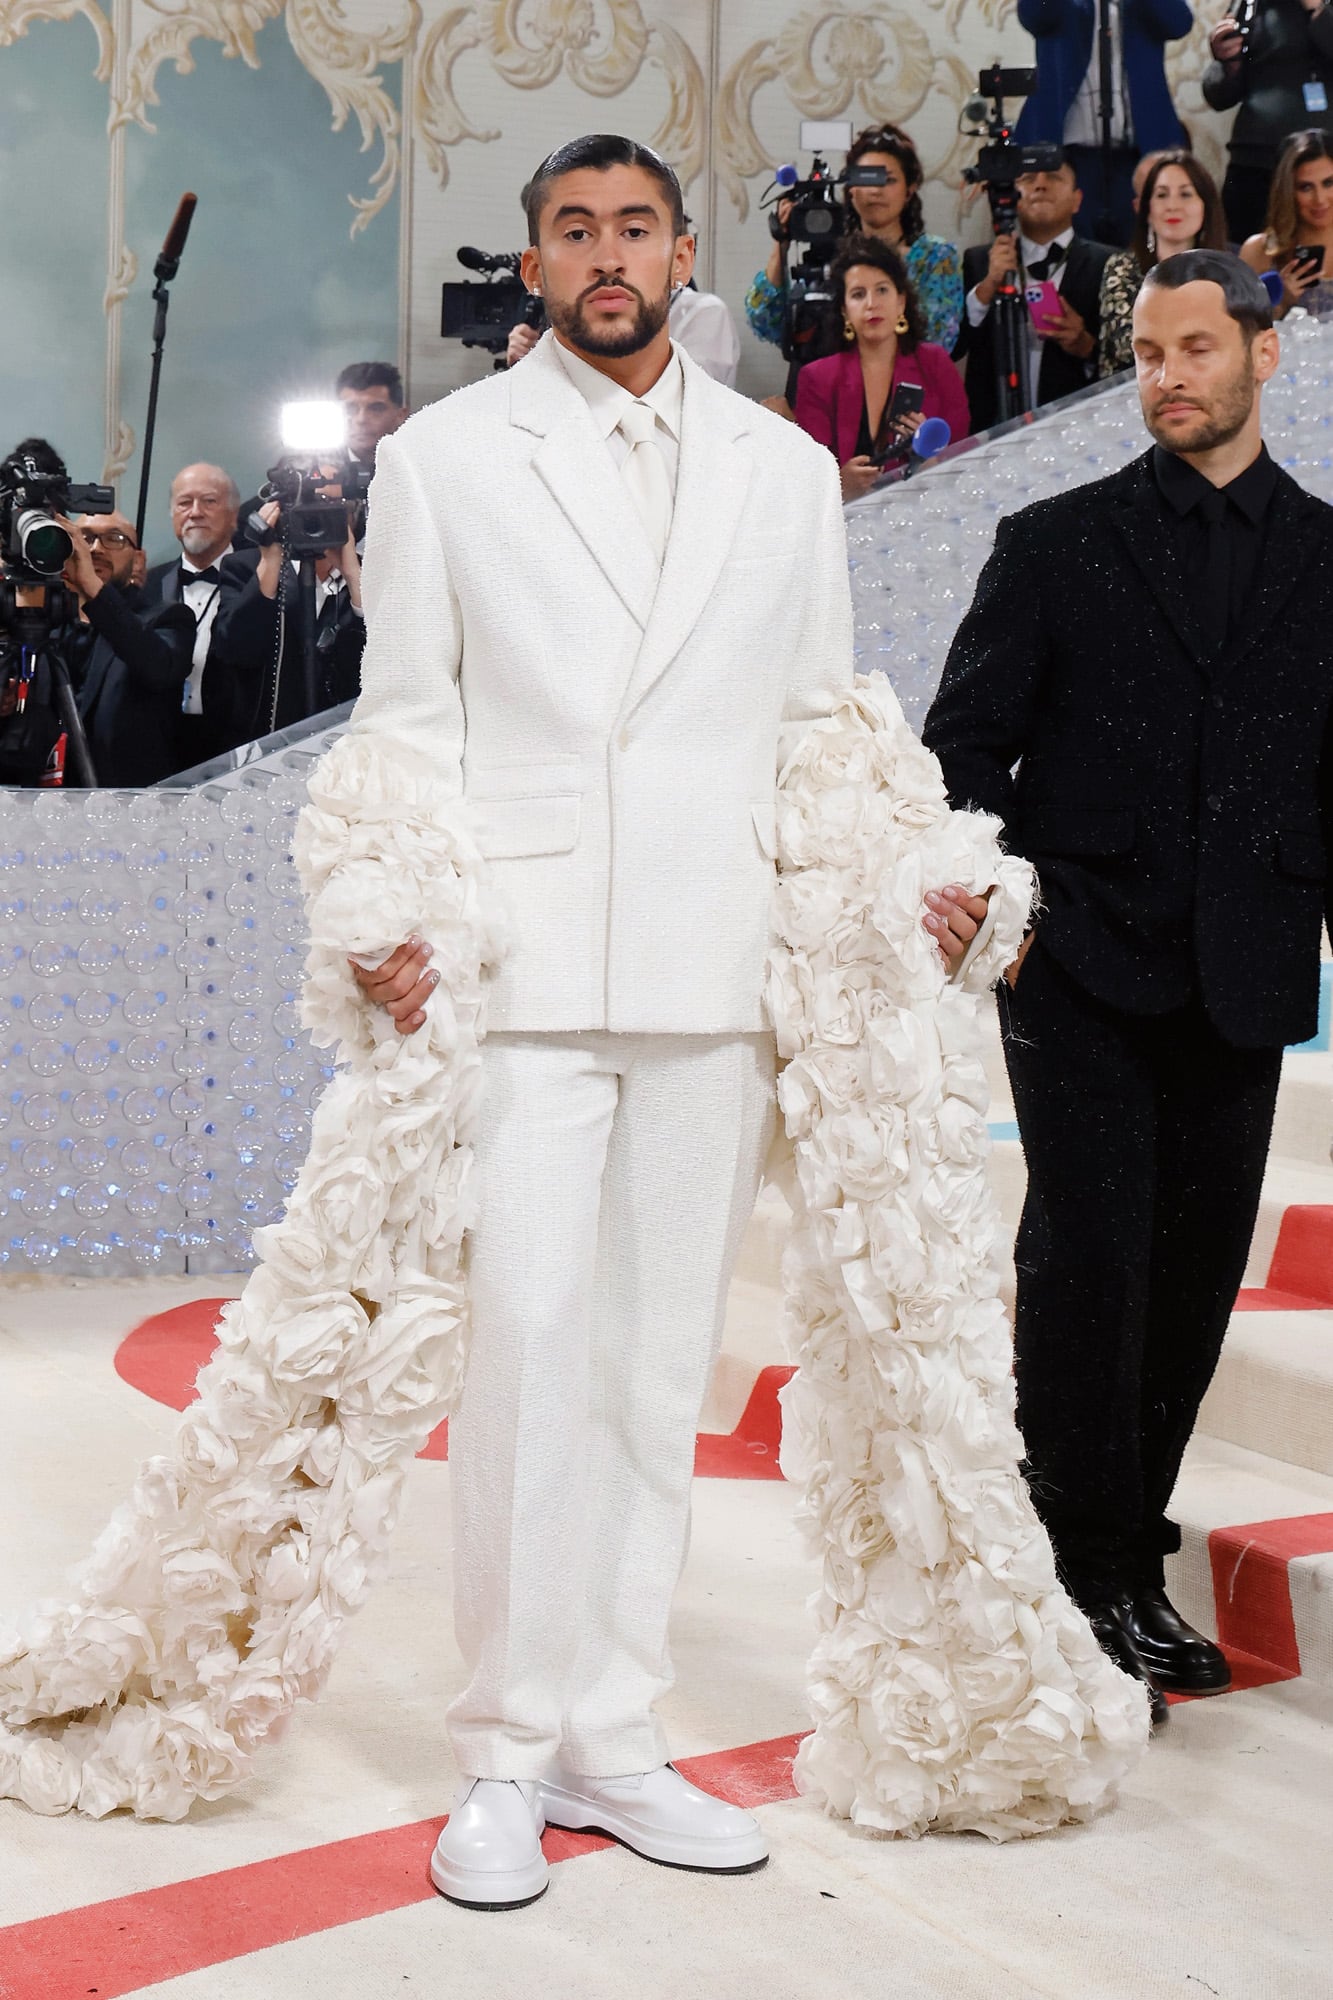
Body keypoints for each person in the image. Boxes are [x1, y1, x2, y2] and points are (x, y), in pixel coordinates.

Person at [344, 131, 993, 1911]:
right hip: (529, 973)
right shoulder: (446, 462)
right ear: (536, 263)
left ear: (682, 251)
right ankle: (502, 1753)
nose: (605, 255)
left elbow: (813, 728)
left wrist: (897, 878)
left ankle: (615, 1739)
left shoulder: (785, 474)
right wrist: (388, 909)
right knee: (527, 1356)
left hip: (713, 977)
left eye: (634, 226)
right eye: (573, 230)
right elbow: (403, 722)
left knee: (650, 1376)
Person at [923, 250, 1333, 1725]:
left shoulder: (1328, 555)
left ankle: (1115, 1550)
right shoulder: (1052, 543)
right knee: (1087, 1262)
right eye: (1146, 351)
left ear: (1263, 356)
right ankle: (1087, 1571)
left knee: (1189, 1279)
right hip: (1078, 960)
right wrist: (1003, 912)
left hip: (1244, 968)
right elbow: (961, 750)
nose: (1164, 374)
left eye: (1194, 348)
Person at [746, 124, 964, 367]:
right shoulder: (830, 253)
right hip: (825, 390)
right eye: (865, 178)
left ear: (909, 190)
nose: (874, 190)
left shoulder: (935, 256)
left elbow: (939, 339)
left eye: (888, 180)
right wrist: (782, 243)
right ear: (851, 190)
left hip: (906, 390)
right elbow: (766, 321)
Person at [794, 235, 969, 500]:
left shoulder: (935, 364)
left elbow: (964, 460)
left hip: (927, 513)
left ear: (901, 302)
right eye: (858, 294)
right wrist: (840, 486)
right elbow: (808, 477)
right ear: (845, 311)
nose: (871, 303)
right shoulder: (817, 378)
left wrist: (928, 457)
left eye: (882, 290)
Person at [955, 153, 1116, 432]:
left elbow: (1127, 365)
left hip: (1078, 429)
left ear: (1077, 199)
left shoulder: (1108, 264)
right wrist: (987, 287)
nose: (1040, 185)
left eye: (1054, 177)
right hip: (992, 429)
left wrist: (1086, 345)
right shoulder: (978, 261)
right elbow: (956, 347)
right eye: (1028, 179)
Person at [1014, 0, 1194, 245]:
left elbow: (1179, 23)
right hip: (1067, 160)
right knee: (1073, 258)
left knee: (1140, 253)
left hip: (1137, 155)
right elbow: (1033, 15)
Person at [210, 466, 365, 736]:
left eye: (331, 505)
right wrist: (270, 561)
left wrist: (354, 577)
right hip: (265, 740)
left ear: (353, 514)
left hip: (347, 742)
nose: (317, 514)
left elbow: (388, 660)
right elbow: (234, 650)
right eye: (307, 504)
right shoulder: (244, 567)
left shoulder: (369, 576)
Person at [140, 463, 261, 768]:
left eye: (209, 501)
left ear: (234, 516)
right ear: (172, 515)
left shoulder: (260, 579)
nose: (195, 512)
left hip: (238, 745)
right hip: (159, 745)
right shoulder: (148, 585)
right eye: (184, 502)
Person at [63, 510, 194, 786]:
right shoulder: (41, 621)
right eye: (84, 539)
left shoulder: (168, 617)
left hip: (127, 803)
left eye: (114, 538)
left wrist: (91, 585)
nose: (95, 549)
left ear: (138, 559)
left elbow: (159, 668)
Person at [507, 234, 743, 384]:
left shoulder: (704, 312)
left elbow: (683, 400)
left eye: (634, 234)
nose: (609, 262)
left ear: (679, 257)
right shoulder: (581, 311)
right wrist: (531, 364)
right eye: (578, 236)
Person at [1204, 1, 1333, 241]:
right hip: (1254, 161)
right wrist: (1228, 61)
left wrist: (1317, 10)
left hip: (1321, 163)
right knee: (1243, 256)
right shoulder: (1249, 4)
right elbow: (1217, 96)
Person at [1099, 150, 1229, 371]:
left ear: (1205, 206)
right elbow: (1132, 347)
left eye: (1185, 194)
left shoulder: (1226, 271)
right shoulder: (1122, 268)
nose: (1172, 206)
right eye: (1161, 195)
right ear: (1147, 210)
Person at [1239, 126, 1333, 317]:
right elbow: (1239, 331)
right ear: (1287, 191)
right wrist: (1281, 301)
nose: (1320, 199)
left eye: (1328, 183)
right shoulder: (1259, 250)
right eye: (1306, 187)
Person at [336, 360, 408, 471]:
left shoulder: (417, 469)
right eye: (350, 409)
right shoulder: (312, 468)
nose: (361, 419)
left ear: (400, 416)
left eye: (376, 409)